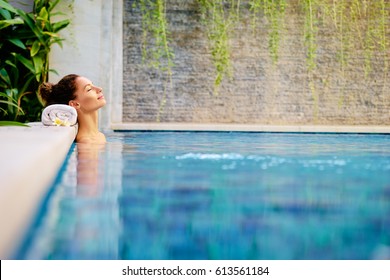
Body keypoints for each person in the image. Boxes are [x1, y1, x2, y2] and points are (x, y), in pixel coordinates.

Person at [39, 74, 107, 144]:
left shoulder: (99, 136)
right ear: (75, 104)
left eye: (93, 85)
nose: (99, 89)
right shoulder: (86, 142)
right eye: (89, 89)